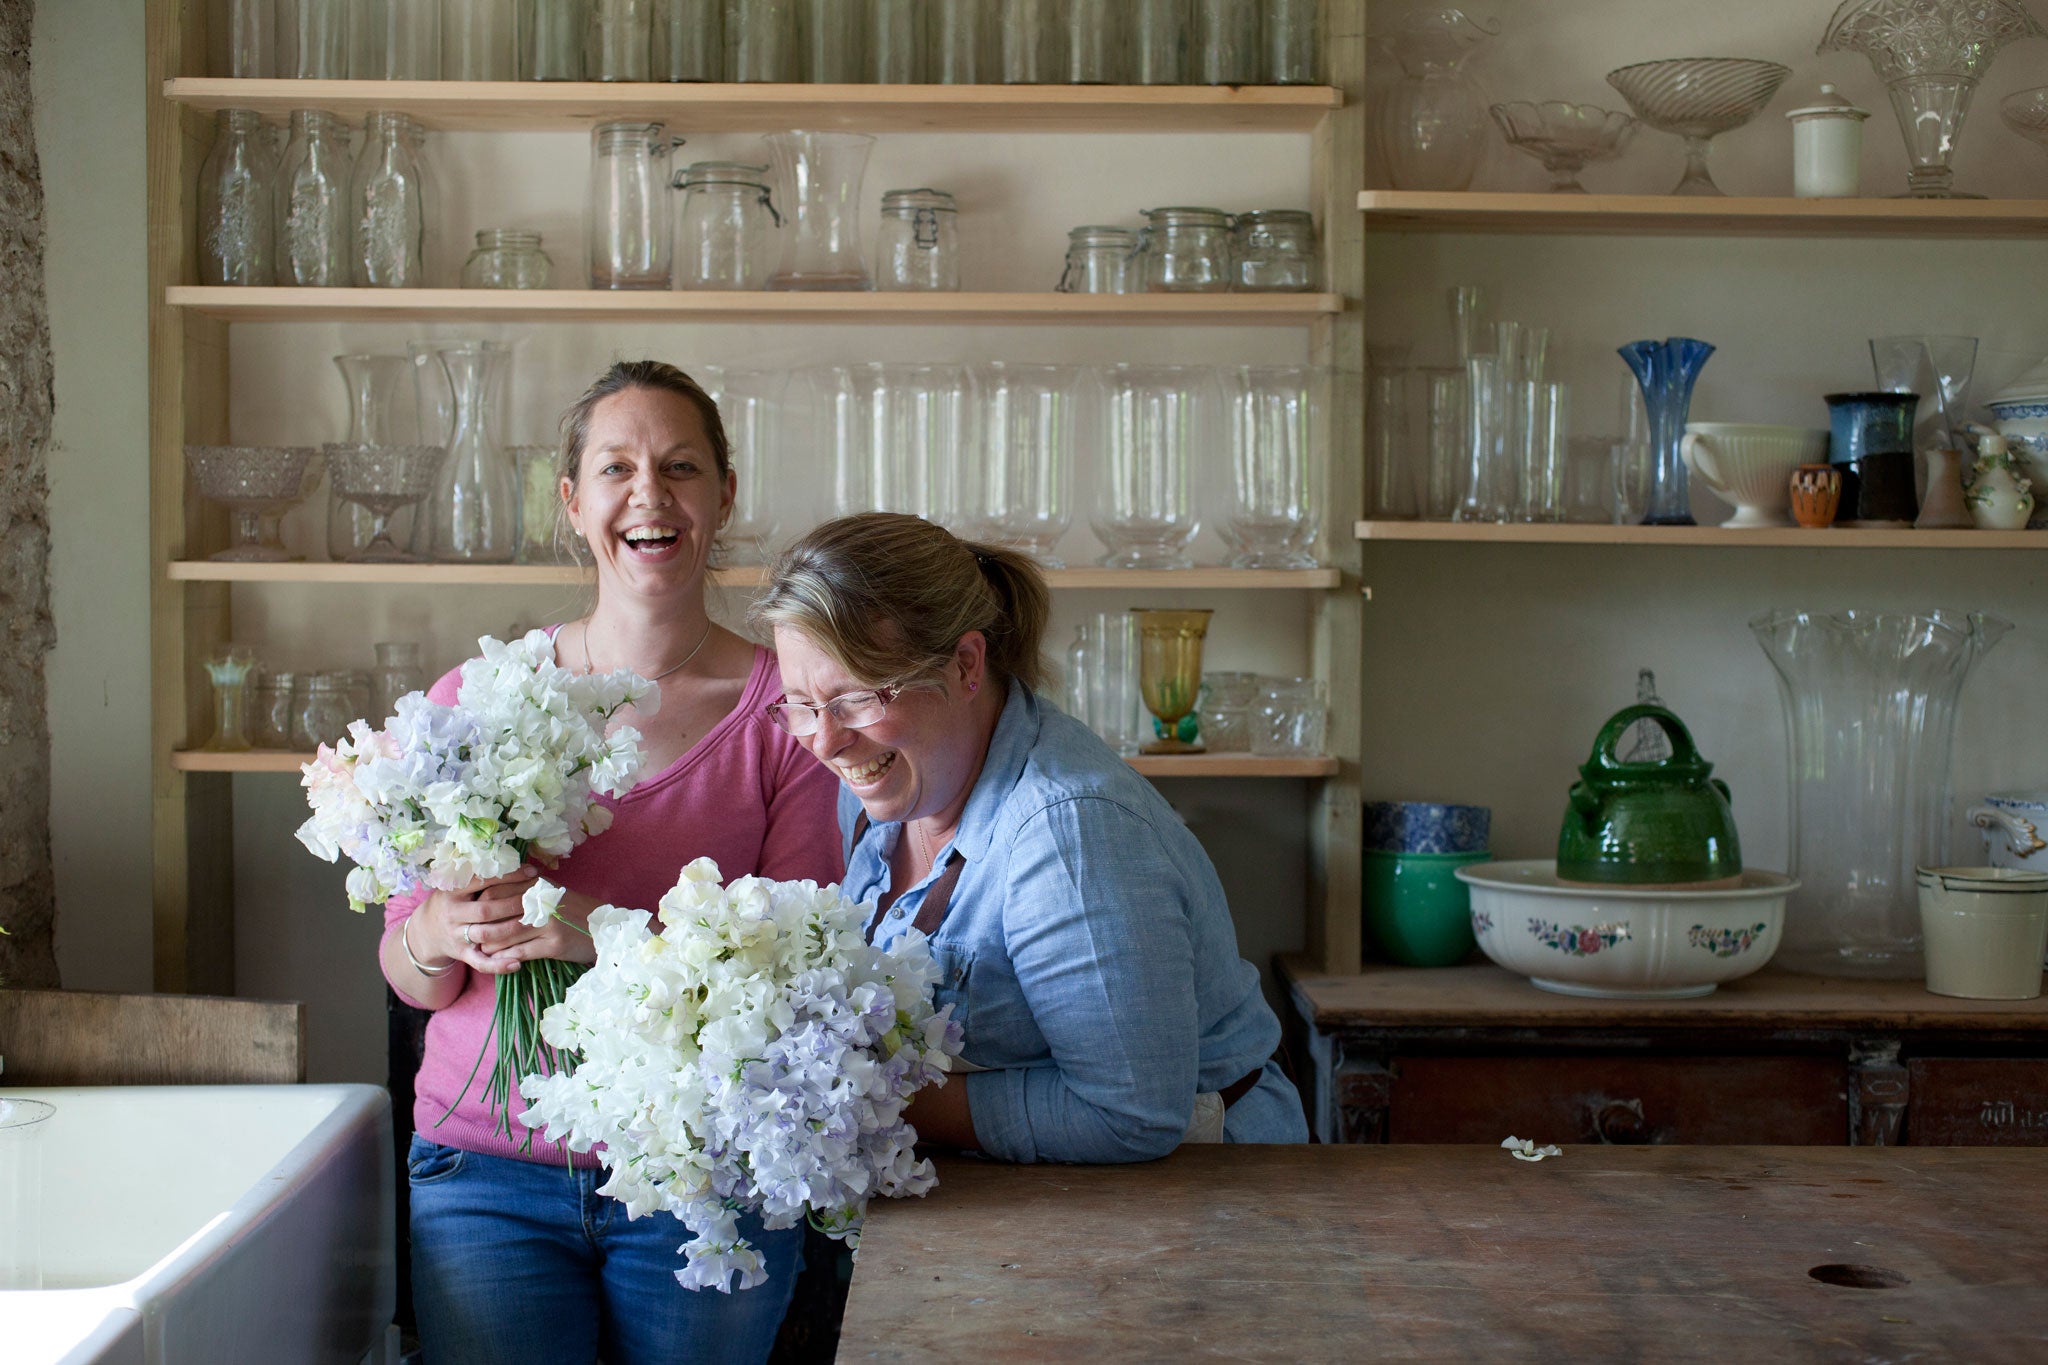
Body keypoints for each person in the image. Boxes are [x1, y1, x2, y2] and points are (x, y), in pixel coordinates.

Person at [380, 361, 843, 1365]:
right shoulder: (479, 691)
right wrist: (434, 931)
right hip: (486, 1177)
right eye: (616, 468)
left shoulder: (784, 714)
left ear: (723, 495)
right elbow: (413, 979)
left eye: (680, 468)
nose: (650, 495)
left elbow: (803, 972)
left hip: (700, 1180)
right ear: (572, 502)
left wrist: (607, 932)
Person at [751, 512, 1308, 1162]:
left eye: (859, 696)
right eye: (801, 703)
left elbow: (1130, 1113)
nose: (824, 739)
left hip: (1213, 1191)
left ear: (965, 665)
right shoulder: (884, 781)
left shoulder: (1067, 833)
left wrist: (856, 1094)